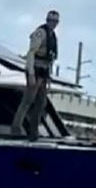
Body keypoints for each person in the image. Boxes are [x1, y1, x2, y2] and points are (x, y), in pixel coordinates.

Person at [12, 10, 60, 140]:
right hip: (35, 68)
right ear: (46, 20)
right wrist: (31, 74)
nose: (52, 23)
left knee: (41, 103)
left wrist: (48, 76)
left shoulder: (53, 36)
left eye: (55, 21)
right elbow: (31, 53)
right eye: (50, 20)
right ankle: (16, 128)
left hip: (44, 72)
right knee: (28, 100)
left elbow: (51, 58)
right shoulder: (41, 33)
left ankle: (33, 132)